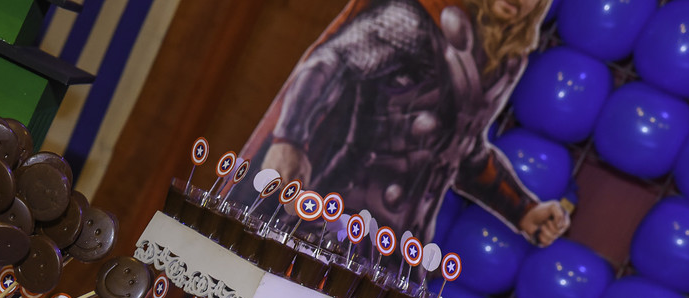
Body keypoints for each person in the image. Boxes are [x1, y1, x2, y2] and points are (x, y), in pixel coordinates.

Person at [235, 0, 568, 247]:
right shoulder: (413, 19)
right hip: (330, 223)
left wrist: (523, 210)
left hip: (395, 251)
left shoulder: (503, 61)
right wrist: (290, 140)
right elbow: (331, 62)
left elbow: (462, 151)